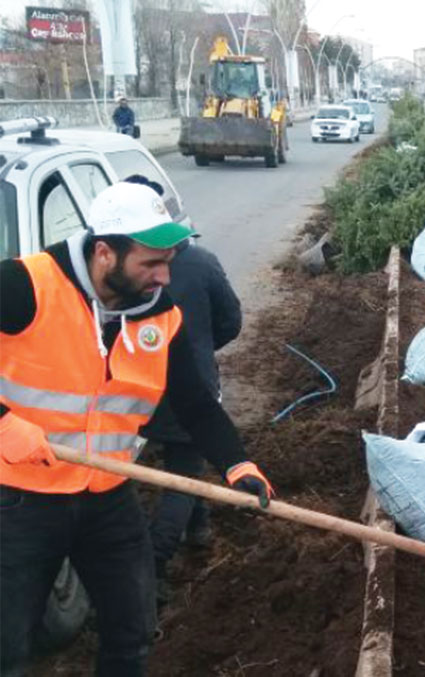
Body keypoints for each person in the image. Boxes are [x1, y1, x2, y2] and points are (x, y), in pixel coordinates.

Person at [0, 182, 274, 676]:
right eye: (151, 262)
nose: (164, 275)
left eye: (167, 259)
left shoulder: (160, 315)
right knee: (8, 643)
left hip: (107, 493)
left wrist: (238, 462)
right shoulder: (25, 286)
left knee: (132, 630)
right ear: (105, 252)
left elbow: (194, 404)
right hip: (21, 498)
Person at [121, 176, 244, 606]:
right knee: (183, 474)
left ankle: (200, 526)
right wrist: (202, 347)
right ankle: (154, 562)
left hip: (141, 392)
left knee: (184, 465)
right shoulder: (203, 263)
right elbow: (231, 321)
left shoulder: (124, 272)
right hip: (190, 392)